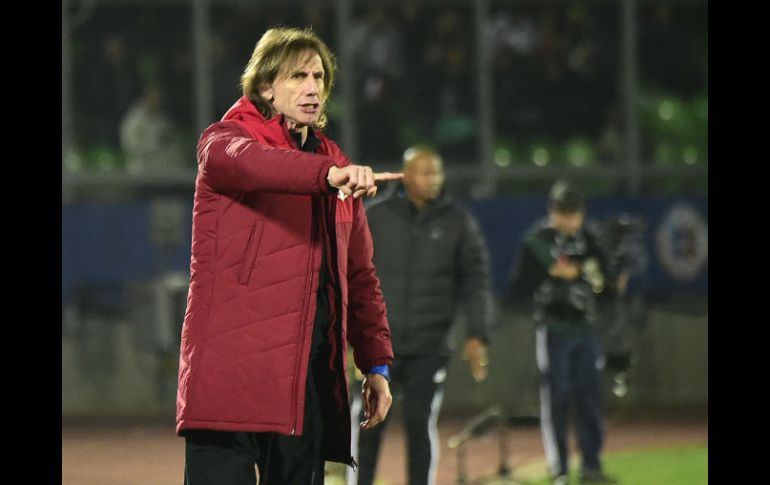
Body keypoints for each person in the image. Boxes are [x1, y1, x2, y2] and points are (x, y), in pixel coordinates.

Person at [176, 27, 404, 485]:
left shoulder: (334, 164)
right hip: (231, 379)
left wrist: (375, 364)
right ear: (265, 86)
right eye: (297, 75)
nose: (313, 87)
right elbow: (254, 162)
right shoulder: (223, 141)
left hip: (306, 386)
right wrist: (329, 174)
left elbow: (359, 276)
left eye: (319, 76)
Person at [349, 146, 496, 485]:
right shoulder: (376, 216)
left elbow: (476, 279)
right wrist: (347, 335)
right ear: (406, 174)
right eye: (426, 172)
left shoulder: (457, 222)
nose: (434, 180)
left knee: (419, 423)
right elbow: (350, 275)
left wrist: (478, 333)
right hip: (377, 346)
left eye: (438, 172)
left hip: (429, 345)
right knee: (368, 423)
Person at [508, 181, 618, 485]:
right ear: (552, 212)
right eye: (563, 214)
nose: (569, 221)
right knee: (556, 398)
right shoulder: (537, 240)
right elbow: (518, 287)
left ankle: (591, 465)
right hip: (553, 329)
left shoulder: (591, 238)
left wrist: (609, 280)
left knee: (590, 397)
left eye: (574, 215)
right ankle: (559, 468)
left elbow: (607, 285)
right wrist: (549, 272)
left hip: (586, 328)